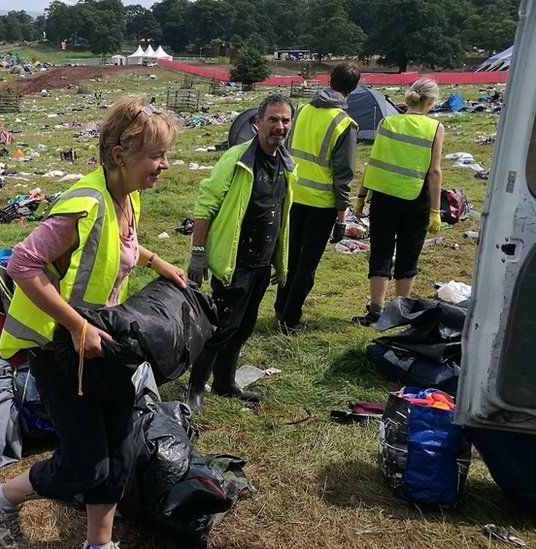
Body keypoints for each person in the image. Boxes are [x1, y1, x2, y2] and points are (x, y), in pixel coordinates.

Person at [0, 95, 186, 549]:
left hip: (104, 344)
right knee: (86, 466)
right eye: (157, 155)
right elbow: (22, 264)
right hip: (59, 349)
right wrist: (76, 325)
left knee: (120, 450)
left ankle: (99, 544)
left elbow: (120, 246)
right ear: (120, 155)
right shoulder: (84, 203)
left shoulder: (126, 197)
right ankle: (0, 497)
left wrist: (156, 261)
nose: (165, 165)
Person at [186, 95, 297, 408]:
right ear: (257, 122)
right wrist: (198, 252)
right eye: (273, 119)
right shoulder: (237, 159)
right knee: (222, 328)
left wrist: (279, 260)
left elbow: (279, 215)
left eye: (285, 120)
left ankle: (224, 382)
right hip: (233, 262)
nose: (279, 126)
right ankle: (195, 388)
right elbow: (205, 204)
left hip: (261, 263)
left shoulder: (287, 165)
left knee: (244, 326)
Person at [273, 62, 360, 334]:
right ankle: (290, 320)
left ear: (330, 79)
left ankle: (280, 309)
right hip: (321, 205)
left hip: (293, 196)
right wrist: (342, 217)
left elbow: (286, 152)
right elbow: (343, 174)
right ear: (354, 89)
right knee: (307, 265)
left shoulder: (302, 111)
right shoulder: (344, 123)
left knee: (290, 258)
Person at [352, 78, 445, 325]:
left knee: (381, 252)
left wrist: (361, 196)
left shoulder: (387, 122)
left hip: (383, 196)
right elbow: (434, 172)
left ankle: (375, 311)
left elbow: (374, 162)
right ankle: (399, 312)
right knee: (408, 254)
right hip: (415, 199)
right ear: (432, 101)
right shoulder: (435, 128)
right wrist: (436, 210)